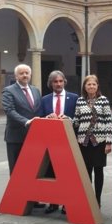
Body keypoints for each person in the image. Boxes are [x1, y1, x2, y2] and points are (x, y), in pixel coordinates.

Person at [37, 70, 78, 214]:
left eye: (61, 81)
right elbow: (40, 117)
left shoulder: (74, 98)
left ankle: (67, 204)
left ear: (65, 82)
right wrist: (47, 117)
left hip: (68, 141)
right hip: (51, 142)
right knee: (50, 172)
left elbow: (78, 119)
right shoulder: (45, 99)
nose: (58, 84)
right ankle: (53, 203)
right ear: (51, 84)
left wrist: (68, 119)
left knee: (68, 173)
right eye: (55, 82)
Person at [72, 74, 112, 211]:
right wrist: (65, 119)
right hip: (84, 142)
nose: (91, 86)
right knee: (86, 171)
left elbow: (108, 122)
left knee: (99, 171)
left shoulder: (103, 100)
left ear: (97, 86)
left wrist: (109, 142)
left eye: (94, 84)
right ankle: (88, 200)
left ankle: (97, 200)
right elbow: (76, 121)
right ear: (84, 86)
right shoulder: (80, 101)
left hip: (99, 142)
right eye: (88, 84)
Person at [2, 64, 41, 179]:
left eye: (27, 73)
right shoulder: (8, 91)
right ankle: (15, 195)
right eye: (21, 73)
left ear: (30, 75)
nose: (24, 75)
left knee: (32, 169)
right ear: (16, 76)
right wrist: (26, 121)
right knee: (16, 170)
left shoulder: (35, 90)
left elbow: (37, 110)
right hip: (16, 137)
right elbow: (9, 110)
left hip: (33, 137)